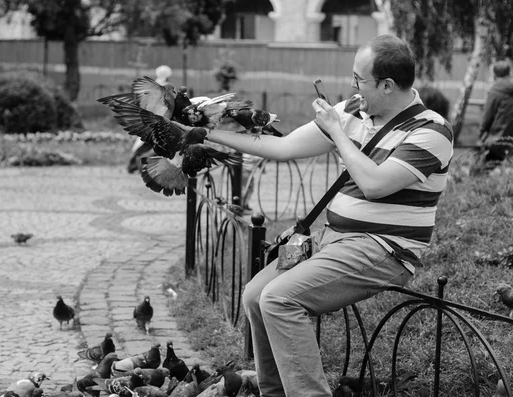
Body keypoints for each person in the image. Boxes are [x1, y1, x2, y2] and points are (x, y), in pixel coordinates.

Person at [206, 34, 453, 397]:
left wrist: (337, 132)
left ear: (386, 85)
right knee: (256, 294)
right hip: (333, 239)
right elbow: (283, 146)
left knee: (280, 299)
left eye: (359, 79)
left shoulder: (431, 131)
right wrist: (206, 133)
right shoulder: (355, 110)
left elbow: (374, 184)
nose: (353, 87)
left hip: (384, 248)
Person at [127, 65, 173, 173]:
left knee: (144, 142)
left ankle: (135, 163)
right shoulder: (165, 87)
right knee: (150, 142)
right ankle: (136, 163)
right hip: (157, 119)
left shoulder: (152, 86)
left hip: (149, 118)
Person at [478, 60, 513, 168]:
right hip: (510, 136)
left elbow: (488, 115)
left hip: (497, 138)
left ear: (495, 73)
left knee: (480, 172)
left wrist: (482, 133)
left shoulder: (495, 90)